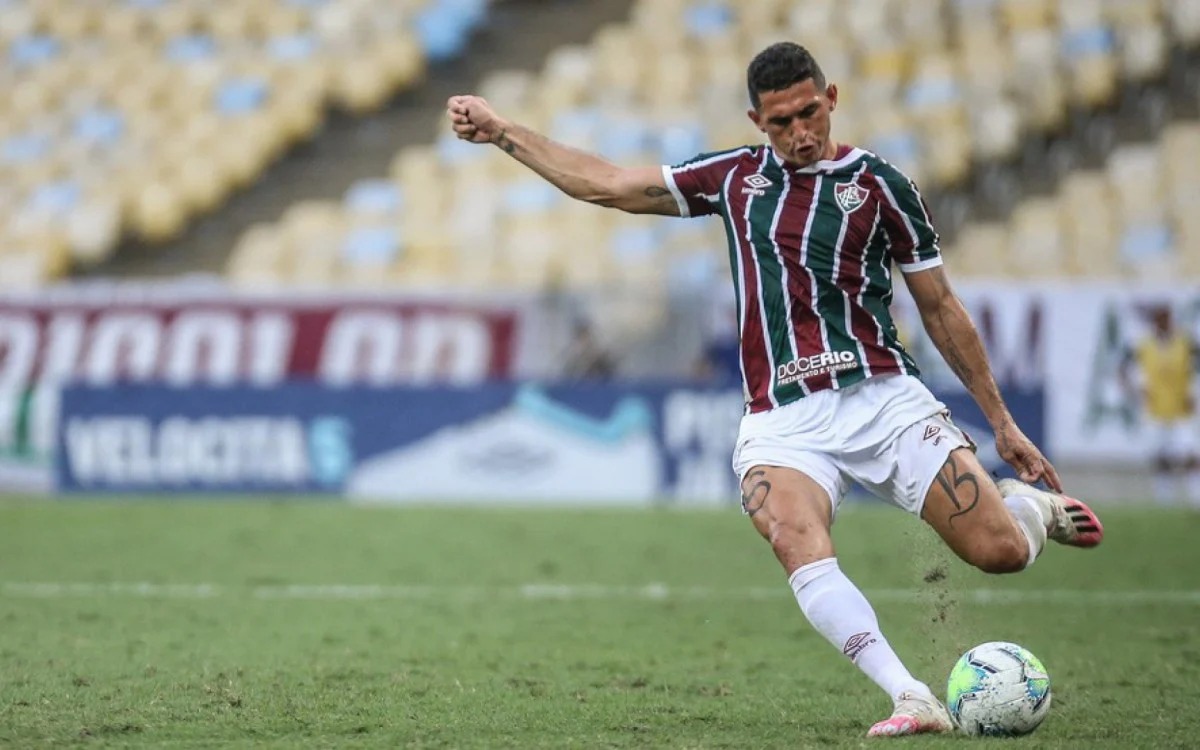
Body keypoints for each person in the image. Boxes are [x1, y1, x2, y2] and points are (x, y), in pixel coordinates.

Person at [446, 41, 1104, 737]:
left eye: (809, 113)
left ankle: (1029, 510)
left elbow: (940, 307)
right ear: (757, 121)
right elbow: (606, 183)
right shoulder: (734, 179)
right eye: (781, 122)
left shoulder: (882, 187)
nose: (800, 133)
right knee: (792, 534)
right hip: (782, 418)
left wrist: (1001, 422)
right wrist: (502, 132)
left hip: (882, 398)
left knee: (999, 552)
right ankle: (910, 695)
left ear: (831, 99)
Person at [1120, 304, 1200, 506]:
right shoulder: (1144, 345)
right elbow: (1124, 367)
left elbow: (1194, 367)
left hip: (1180, 409)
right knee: (1161, 457)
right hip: (1154, 409)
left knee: (1190, 455)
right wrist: (1133, 390)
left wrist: (1193, 392)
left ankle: (1195, 497)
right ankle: (1165, 501)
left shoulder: (1184, 342)